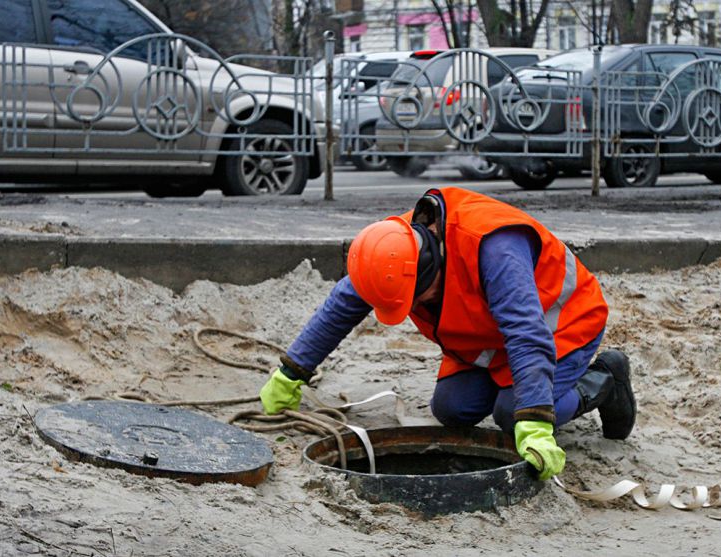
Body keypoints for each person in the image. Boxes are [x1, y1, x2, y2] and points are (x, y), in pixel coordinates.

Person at [260, 187, 636, 480]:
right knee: (452, 408)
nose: (413, 309)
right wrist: (292, 372)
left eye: (417, 299)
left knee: (512, 414)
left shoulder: (493, 247)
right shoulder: (391, 250)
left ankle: (604, 380)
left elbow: (526, 332)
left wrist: (536, 420)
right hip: (489, 340)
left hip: (563, 324)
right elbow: (342, 305)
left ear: (430, 267)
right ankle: (522, 391)